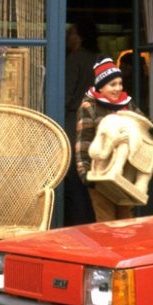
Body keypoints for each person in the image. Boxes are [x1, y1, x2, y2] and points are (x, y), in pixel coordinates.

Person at [76, 57, 153, 222]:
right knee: (106, 221)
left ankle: (122, 248)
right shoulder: (89, 107)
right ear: (100, 86)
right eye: (112, 85)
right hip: (101, 174)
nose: (118, 88)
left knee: (126, 221)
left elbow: (145, 126)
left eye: (120, 83)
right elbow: (84, 142)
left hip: (126, 174)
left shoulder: (128, 103)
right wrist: (85, 173)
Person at [62, 18, 101, 225]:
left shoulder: (75, 59)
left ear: (79, 37)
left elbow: (65, 95)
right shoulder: (101, 59)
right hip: (98, 124)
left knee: (73, 178)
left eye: (70, 33)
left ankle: (79, 225)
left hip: (73, 122)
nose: (67, 38)